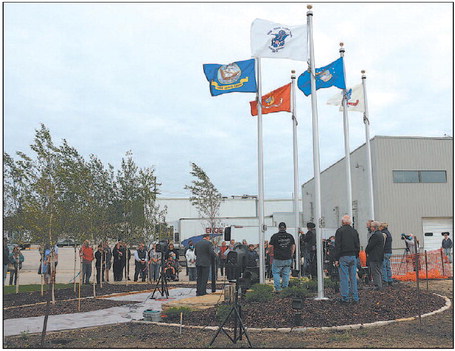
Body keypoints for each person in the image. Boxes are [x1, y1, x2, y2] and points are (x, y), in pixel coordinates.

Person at [334, 215, 360, 303]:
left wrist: (336, 258)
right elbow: (357, 244)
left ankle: (345, 297)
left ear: (342, 222)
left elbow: (338, 245)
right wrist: (356, 255)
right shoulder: (354, 231)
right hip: (353, 255)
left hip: (343, 256)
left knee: (344, 277)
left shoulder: (339, 231)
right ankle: (355, 297)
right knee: (353, 277)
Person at [269, 222, 295, 292]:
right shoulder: (290, 236)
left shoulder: (275, 236)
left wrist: (271, 253)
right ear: (286, 228)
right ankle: (285, 288)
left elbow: (271, 246)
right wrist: (291, 254)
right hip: (287, 257)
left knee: (276, 273)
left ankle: (278, 289)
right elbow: (293, 246)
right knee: (286, 274)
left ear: (279, 228)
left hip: (277, 258)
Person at [365, 221, 385, 290]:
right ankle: (379, 285)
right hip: (379, 255)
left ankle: (378, 286)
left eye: (371, 227)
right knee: (378, 270)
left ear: (374, 228)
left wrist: (366, 250)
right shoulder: (380, 234)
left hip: (374, 256)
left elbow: (370, 245)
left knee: (375, 271)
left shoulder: (375, 235)